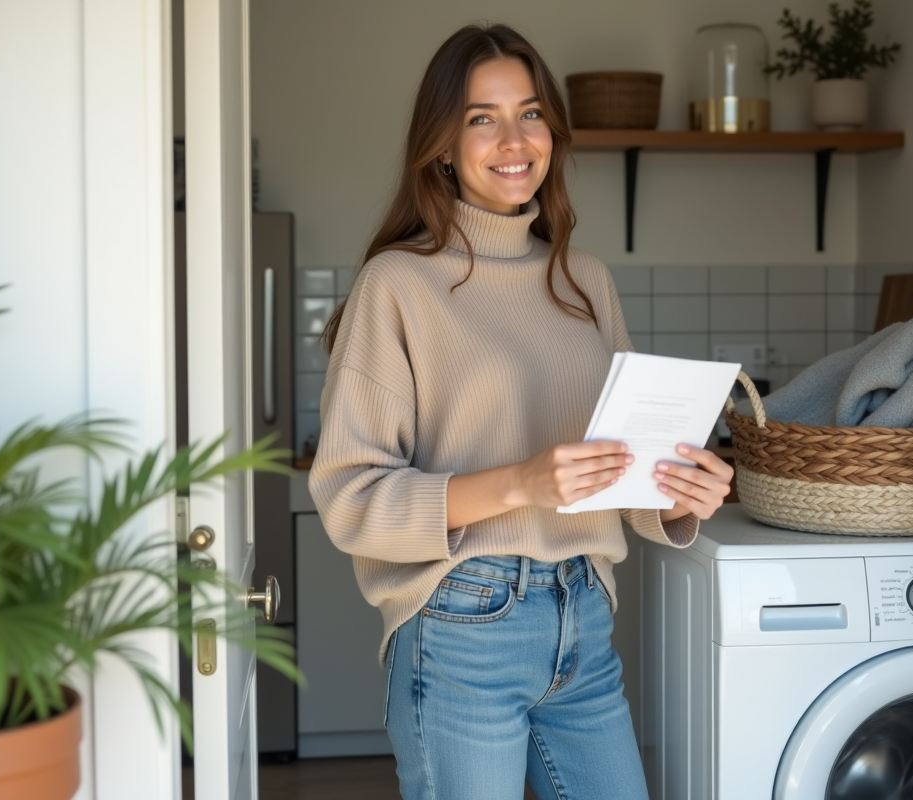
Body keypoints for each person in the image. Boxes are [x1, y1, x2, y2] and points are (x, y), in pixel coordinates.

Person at [309, 22, 733, 800]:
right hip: (462, 625)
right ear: (441, 144)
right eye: (482, 117)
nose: (515, 138)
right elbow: (350, 498)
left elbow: (617, 469)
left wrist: (674, 496)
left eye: (531, 113)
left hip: (585, 619)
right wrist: (519, 485)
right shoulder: (398, 285)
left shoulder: (583, 280)